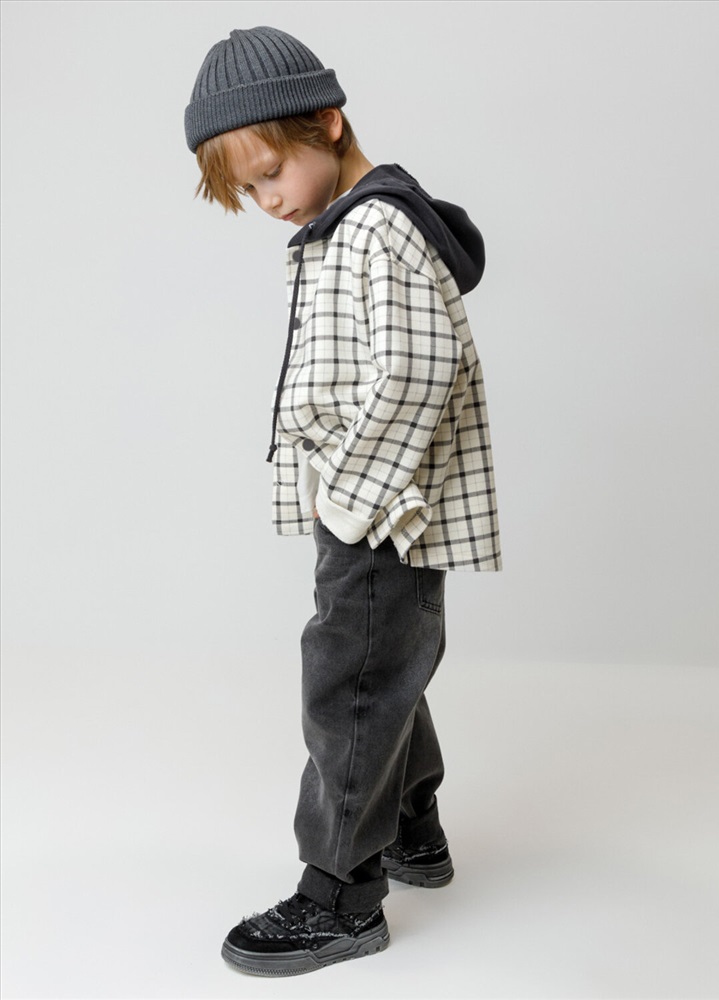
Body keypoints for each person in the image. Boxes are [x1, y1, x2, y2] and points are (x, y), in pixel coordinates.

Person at [184, 26, 502, 978]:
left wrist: (352, 503)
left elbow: (415, 375)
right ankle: (412, 829)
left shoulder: (376, 229)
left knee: (347, 685)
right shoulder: (344, 226)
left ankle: (339, 897)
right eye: (249, 192)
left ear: (327, 122)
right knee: (382, 667)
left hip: (384, 513)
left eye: (270, 173)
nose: (269, 202)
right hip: (373, 505)